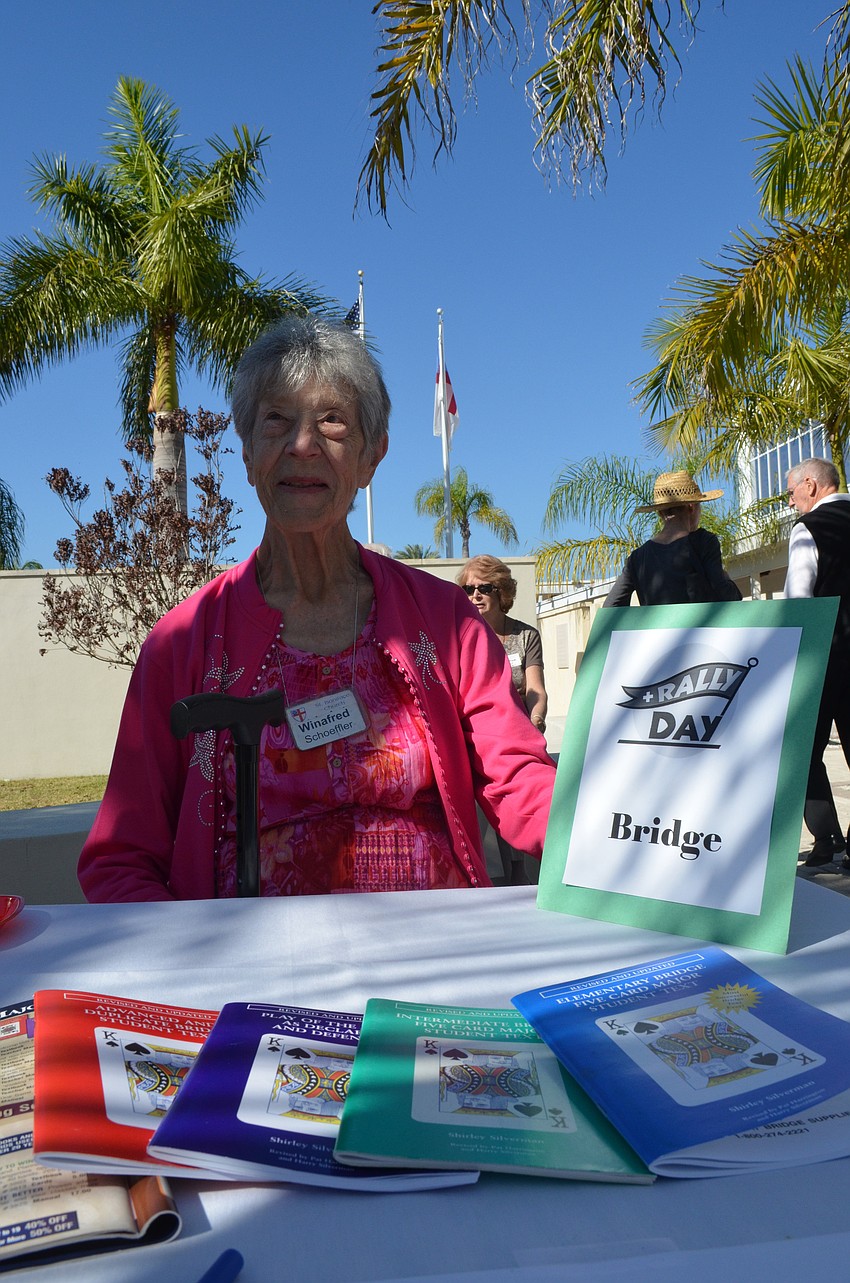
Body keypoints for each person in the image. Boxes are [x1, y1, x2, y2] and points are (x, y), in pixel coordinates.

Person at [78, 315, 555, 902]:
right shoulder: (183, 642)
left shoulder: (445, 620)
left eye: (331, 420)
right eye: (276, 420)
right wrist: (188, 980)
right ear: (249, 451)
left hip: (433, 962)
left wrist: (624, 834)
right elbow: (121, 858)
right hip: (251, 978)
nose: (302, 444)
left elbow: (517, 779)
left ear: (371, 456)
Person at [457, 555, 547, 884]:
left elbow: (536, 689)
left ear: (502, 593)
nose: (475, 595)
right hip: (472, 747)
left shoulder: (526, 636)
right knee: (474, 837)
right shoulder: (457, 637)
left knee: (521, 835)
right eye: (468, 589)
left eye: (485, 587)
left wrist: (536, 717)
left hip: (514, 743)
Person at [784, 456, 850, 868]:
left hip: (827, 657)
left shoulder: (808, 529)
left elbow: (799, 602)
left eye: (791, 492)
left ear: (810, 485)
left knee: (802, 749)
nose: (791, 502)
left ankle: (825, 838)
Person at [604, 471, 742, 607]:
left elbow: (610, 606)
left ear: (660, 512)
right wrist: (726, 578)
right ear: (691, 507)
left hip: (657, 630)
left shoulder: (637, 558)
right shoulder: (704, 542)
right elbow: (727, 596)